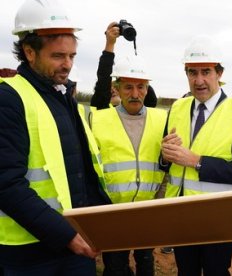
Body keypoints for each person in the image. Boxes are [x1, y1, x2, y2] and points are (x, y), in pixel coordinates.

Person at [0, 0, 111, 275]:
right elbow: (5, 183)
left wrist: (102, 224)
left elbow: (82, 170)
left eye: (72, 56)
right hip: (29, 252)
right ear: (29, 52)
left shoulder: (61, 96)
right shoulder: (9, 99)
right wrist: (67, 236)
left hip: (74, 242)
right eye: (59, 56)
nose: (68, 65)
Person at [160, 34, 232, 276]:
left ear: (219, 74)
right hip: (181, 215)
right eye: (192, 73)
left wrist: (196, 161)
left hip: (220, 219)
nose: (199, 80)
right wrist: (165, 156)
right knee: (186, 272)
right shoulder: (178, 107)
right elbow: (165, 164)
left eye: (206, 71)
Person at [91, 55, 167, 276]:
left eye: (141, 87)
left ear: (147, 88)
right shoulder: (99, 120)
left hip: (148, 208)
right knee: (115, 266)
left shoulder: (162, 119)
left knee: (145, 261)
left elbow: (166, 164)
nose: (135, 94)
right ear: (117, 87)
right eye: (128, 87)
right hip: (113, 210)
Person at [91, 22, 157, 109]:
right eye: (128, 87)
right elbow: (103, 81)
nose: (135, 94)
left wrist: (137, 71)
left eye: (139, 87)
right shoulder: (102, 109)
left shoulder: (148, 111)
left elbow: (145, 88)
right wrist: (109, 44)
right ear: (119, 89)